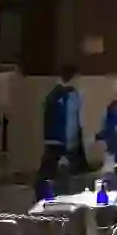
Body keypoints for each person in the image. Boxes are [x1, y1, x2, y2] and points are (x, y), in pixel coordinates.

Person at [35, 64, 86, 200]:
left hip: (61, 142)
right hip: (60, 142)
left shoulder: (58, 95)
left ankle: (51, 199)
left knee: (60, 175)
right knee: (51, 174)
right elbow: (69, 122)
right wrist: (68, 144)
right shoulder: (63, 96)